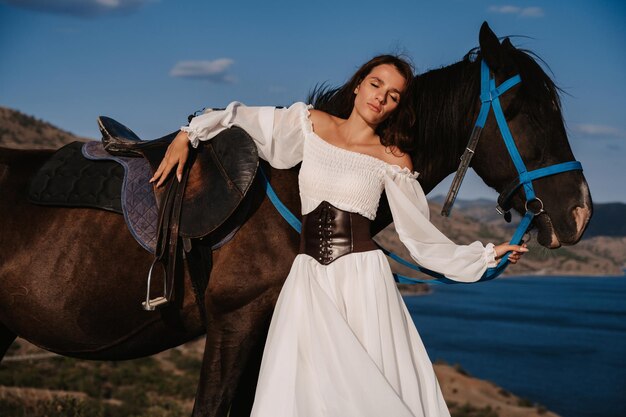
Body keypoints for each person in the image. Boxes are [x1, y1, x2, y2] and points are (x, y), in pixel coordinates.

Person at [150, 55, 528, 417]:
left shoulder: (393, 159)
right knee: (300, 392)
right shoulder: (310, 124)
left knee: (361, 392)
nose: (380, 97)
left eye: (393, 95)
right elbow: (247, 119)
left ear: (398, 106)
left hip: (361, 283)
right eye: (376, 84)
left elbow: (419, 238)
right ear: (359, 85)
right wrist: (190, 133)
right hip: (307, 278)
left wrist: (485, 257)